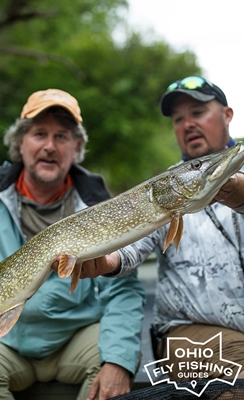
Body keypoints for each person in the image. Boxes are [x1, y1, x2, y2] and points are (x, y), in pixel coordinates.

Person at [0, 89, 145, 400]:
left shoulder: (100, 207)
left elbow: (124, 289)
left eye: (62, 136)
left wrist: (118, 361)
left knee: (115, 362)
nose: (50, 146)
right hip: (5, 343)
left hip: (74, 339)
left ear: (76, 147)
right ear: (20, 142)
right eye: (39, 134)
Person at [77, 76, 244, 382]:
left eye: (197, 112)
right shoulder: (166, 188)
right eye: (178, 119)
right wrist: (107, 261)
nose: (187, 124)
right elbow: (130, 247)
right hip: (185, 332)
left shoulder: (231, 169)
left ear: (227, 115)